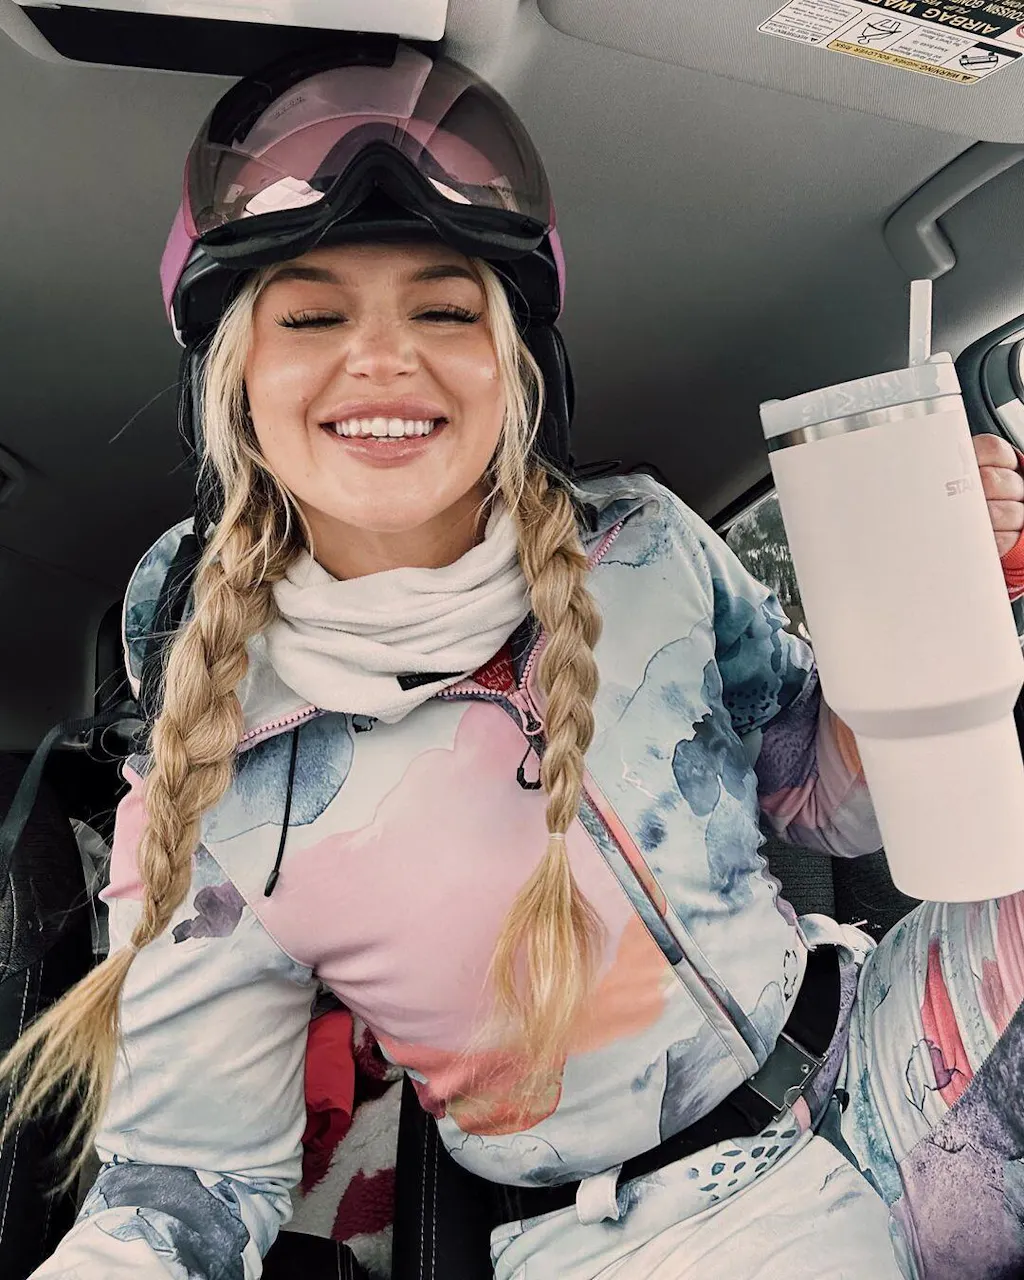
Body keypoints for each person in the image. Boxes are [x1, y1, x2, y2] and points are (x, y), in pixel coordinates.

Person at [3, 39, 1024, 1280]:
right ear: (235, 382)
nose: (384, 357)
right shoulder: (209, 782)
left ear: (513, 362)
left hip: (884, 1042)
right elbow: (185, 1188)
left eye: (445, 310)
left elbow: (824, 799)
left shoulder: (646, 543)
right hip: (643, 1233)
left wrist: (928, 608)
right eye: (312, 316)